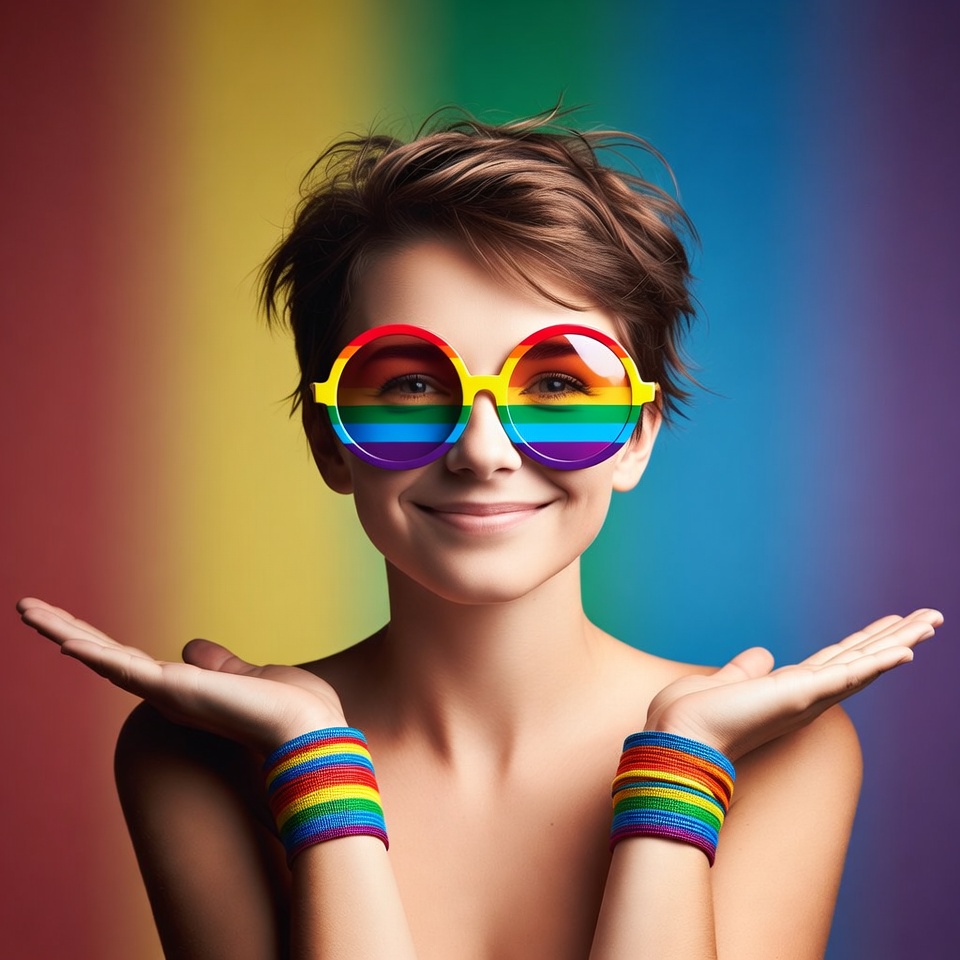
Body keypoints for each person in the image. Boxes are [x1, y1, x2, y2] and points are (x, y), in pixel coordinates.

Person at [18, 109, 942, 960]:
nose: (483, 449)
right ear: (328, 440)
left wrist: (681, 775)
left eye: (559, 387)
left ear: (637, 438)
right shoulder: (202, 753)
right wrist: (316, 768)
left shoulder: (779, 748)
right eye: (412, 385)